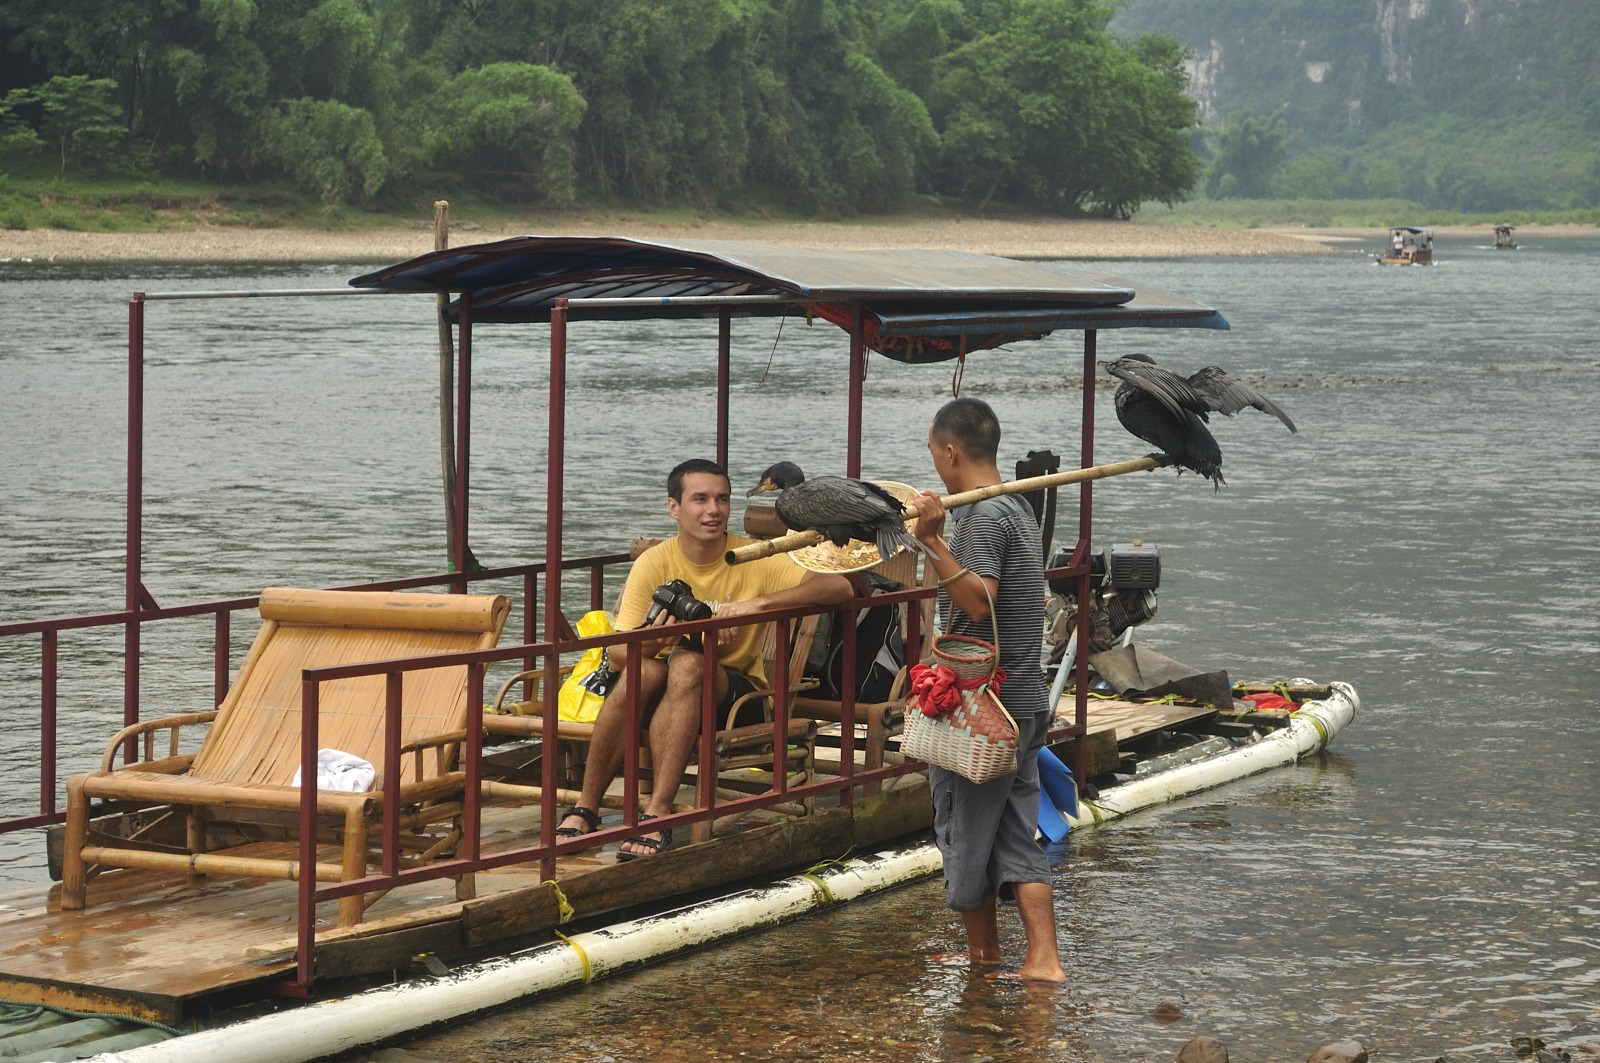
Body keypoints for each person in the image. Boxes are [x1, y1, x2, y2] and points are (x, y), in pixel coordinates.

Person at [555, 458, 854, 859]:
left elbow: (839, 589)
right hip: (658, 695)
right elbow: (619, 656)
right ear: (674, 507)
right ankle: (585, 807)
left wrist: (756, 605)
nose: (713, 510)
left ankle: (657, 814)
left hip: (737, 699)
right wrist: (659, 639)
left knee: (688, 662)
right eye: (700, 499)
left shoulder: (751, 556)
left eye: (722, 499)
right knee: (646, 668)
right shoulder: (654, 562)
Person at [907, 397, 1066, 982]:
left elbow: (979, 601)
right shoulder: (1017, 505)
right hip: (1021, 700)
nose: (936, 463)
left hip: (982, 711)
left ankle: (989, 957)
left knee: (962, 831)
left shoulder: (981, 515)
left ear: (951, 452)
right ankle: (1038, 960)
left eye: (934, 453)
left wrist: (933, 540)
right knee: (1013, 832)